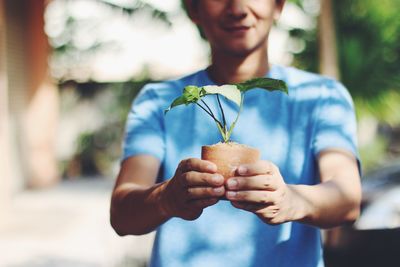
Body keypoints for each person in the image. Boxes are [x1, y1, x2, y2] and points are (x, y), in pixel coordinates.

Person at [110, 0, 362, 266]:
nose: (238, 8)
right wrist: (166, 198)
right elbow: (121, 214)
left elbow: (347, 199)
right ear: (194, 9)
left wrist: (290, 200)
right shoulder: (156, 101)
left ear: (278, 6)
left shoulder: (321, 96)